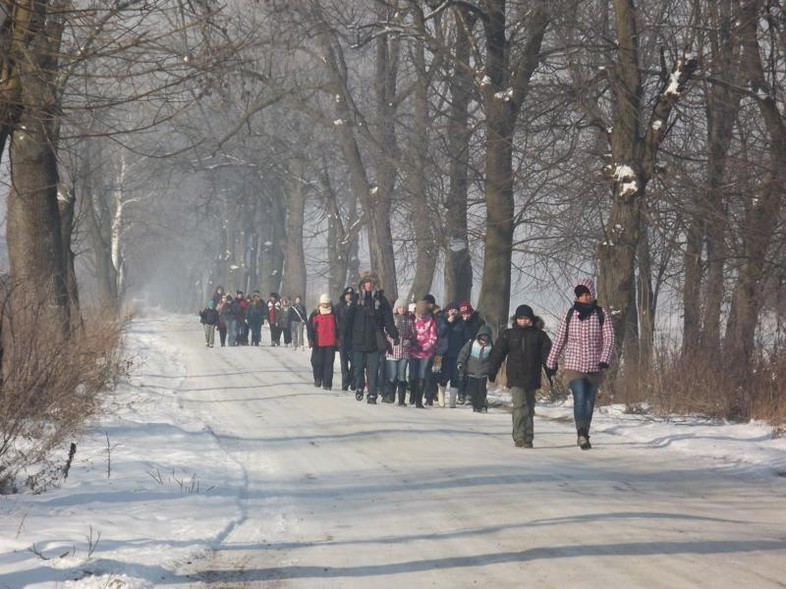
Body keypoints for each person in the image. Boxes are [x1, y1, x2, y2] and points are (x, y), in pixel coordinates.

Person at [546, 279, 615, 450]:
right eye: (581, 295)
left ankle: (585, 431)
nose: (585, 297)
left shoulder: (601, 314)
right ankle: (581, 433)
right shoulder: (569, 315)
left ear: (592, 295)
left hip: (595, 365)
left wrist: (605, 359)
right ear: (577, 297)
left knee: (590, 401)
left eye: (587, 294)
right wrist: (550, 361)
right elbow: (560, 339)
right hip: (574, 364)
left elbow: (609, 338)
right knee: (580, 397)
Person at [488, 304, 552, 449]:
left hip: (532, 376)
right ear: (516, 319)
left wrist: (551, 371)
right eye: (520, 318)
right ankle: (519, 436)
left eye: (526, 318)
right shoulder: (508, 334)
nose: (523, 321)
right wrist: (492, 371)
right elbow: (498, 354)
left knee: (529, 408)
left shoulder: (539, 335)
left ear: (531, 319)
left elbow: (547, 356)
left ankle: (528, 437)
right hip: (515, 376)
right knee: (519, 406)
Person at [344, 271, 399, 404]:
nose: (369, 285)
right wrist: (343, 337)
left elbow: (388, 320)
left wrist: (394, 334)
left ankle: (372, 394)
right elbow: (348, 320)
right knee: (357, 368)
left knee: (373, 370)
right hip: (358, 341)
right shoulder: (356, 300)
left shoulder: (381, 300)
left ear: (375, 284)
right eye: (366, 282)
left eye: (371, 283)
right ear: (363, 284)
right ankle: (359, 386)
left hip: (374, 342)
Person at [457, 324, 494, 412]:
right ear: (478, 337)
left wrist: (493, 368)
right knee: (473, 390)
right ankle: (475, 405)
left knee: (482, 390)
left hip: (484, 371)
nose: (484, 342)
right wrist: (460, 363)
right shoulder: (472, 343)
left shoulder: (491, 347)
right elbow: (463, 353)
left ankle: (482, 405)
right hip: (472, 370)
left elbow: (494, 358)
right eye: (482, 340)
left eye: (486, 340)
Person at [408, 300, 438, 408]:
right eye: (418, 314)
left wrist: (426, 346)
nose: (420, 316)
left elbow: (433, 337)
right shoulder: (412, 320)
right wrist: (412, 343)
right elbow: (408, 333)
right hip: (413, 352)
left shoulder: (431, 321)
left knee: (422, 376)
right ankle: (412, 392)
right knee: (412, 376)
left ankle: (418, 400)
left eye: (422, 314)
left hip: (425, 353)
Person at [385, 299, 414, 405]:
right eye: (400, 307)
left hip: (404, 352)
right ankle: (391, 396)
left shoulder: (409, 320)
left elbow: (412, 334)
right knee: (393, 375)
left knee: (402, 376)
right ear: (396, 308)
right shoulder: (391, 319)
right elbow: (386, 332)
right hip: (392, 351)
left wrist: (409, 340)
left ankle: (401, 400)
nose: (402, 309)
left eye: (403, 307)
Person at [307, 293, 339, 390]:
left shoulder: (334, 314)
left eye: (327, 304)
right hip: (318, 342)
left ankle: (327, 383)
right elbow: (310, 328)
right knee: (317, 362)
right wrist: (310, 339)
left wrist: (338, 339)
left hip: (330, 343)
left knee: (328, 363)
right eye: (323, 304)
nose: (325, 306)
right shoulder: (315, 314)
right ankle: (318, 378)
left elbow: (338, 328)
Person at [335, 286, 357, 391]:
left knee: (354, 362)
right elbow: (336, 323)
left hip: (353, 338)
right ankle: (345, 382)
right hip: (342, 337)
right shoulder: (339, 307)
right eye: (347, 294)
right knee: (344, 362)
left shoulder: (356, 307)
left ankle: (353, 381)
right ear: (344, 295)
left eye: (351, 295)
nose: (349, 296)